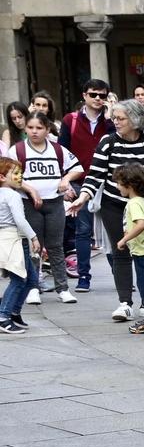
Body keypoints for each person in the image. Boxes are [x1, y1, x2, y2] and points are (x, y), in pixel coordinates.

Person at [77, 98, 144, 323]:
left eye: (120, 118)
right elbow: (95, 174)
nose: (115, 122)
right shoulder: (108, 142)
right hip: (115, 205)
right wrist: (83, 197)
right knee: (121, 251)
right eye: (114, 118)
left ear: (136, 119)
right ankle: (125, 302)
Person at [14, 111, 81, 304]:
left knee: (55, 246)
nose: (34, 132)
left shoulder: (57, 150)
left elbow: (77, 167)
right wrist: (29, 189)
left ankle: (63, 288)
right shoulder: (17, 150)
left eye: (39, 128)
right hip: (29, 203)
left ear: (47, 129)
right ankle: (33, 287)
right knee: (34, 247)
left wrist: (65, 179)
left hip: (54, 202)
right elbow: (7, 175)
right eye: (30, 127)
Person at [59, 79, 114, 290]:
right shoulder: (70, 120)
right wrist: (65, 181)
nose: (98, 99)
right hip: (80, 181)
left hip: (107, 181)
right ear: (84, 95)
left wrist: (109, 120)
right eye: (93, 95)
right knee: (83, 231)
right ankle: (84, 277)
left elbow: (114, 143)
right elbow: (61, 152)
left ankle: (120, 274)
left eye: (102, 95)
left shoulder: (110, 121)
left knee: (111, 230)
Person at [109, 163, 144, 333]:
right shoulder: (139, 201)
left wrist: (123, 240)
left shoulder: (134, 203)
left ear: (130, 184)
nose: (117, 186)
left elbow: (141, 224)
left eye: (119, 183)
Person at [0, 158, 36, 334]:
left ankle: (13, 312)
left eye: (20, 172)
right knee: (20, 279)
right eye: (15, 173)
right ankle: (3, 316)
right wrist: (34, 237)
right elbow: (20, 221)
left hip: (8, 239)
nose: (19, 176)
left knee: (31, 279)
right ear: (1, 177)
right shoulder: (13, 195)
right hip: (15, 239)